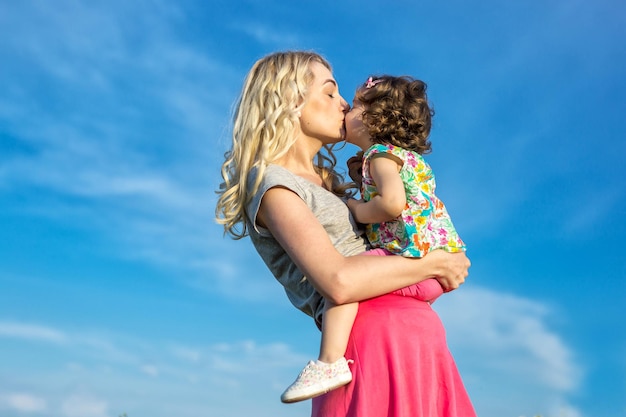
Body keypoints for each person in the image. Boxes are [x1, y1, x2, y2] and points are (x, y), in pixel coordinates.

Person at [215, 51, 476, 417]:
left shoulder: (335, 183)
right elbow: (338, 281)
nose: (342, 105)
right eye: (329, 92)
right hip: (367, 347)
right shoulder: (273, 183)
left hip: (419, 339)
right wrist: (433, 263)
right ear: (290, 101)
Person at [280, 74, 467, 403]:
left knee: (351, 275)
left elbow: (392, 204)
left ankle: (329, 361)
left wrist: (356, 208)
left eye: (354, 104)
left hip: (410, 256)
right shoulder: (391, 158)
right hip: (424, 272)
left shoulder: (380, 156)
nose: (345, 107)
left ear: (373, 118)